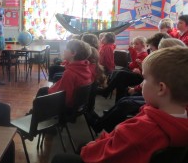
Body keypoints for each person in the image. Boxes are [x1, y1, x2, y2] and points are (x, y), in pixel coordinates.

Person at [52, 46, 188, 163]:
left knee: (60, 158)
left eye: (144, 79)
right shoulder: (178, 120)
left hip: (105, 155)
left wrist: (90, 148)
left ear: (161, 89)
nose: (141, 84)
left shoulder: (143, 130)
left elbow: (105, 156)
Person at [36, 39, 93, 108]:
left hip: (66, 105)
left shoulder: (70, 73)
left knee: (42, 91)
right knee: (45, 89)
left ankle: (35, 115)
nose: (64, 50)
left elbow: (66, 98)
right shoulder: (85, 67)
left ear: (73, 53)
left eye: (66, 48)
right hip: (78, 103)